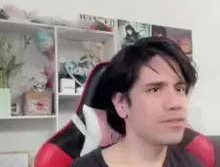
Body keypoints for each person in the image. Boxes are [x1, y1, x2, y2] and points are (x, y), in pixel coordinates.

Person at [70, 37, 202, 167]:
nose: (176, 104)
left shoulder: (192, 163)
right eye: (155, 89)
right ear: (121, 104)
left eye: (179, 89)